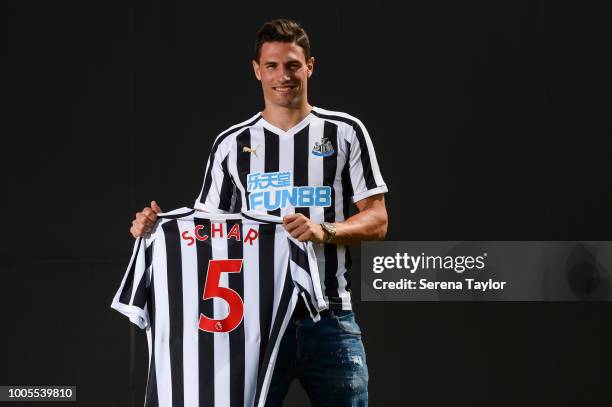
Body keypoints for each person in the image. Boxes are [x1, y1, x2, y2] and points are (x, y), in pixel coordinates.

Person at [130, 19, 388, 407]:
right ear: (257, 70)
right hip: (255, 323)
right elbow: (207, 234)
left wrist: (324, 230)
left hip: (330, 318)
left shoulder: (345, 132)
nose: (283, 76)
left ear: (310, 66)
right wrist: (155, 229)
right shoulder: (232, 144)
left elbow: (378, 219)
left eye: (292, 65)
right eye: (272, 66)